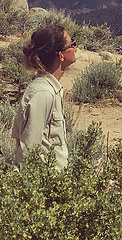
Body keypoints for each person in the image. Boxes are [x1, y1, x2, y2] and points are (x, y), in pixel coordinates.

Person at [11, 20, 77, 170]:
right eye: (71, 44)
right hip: (44, 181)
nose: (75, 47)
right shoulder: (44, 93)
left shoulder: (49, 89)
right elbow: (28, 150)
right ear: (61, 55)